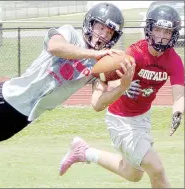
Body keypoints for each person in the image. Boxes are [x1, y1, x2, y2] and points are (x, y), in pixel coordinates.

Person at [0, 3, 131, 157]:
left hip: (25, 115)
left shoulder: (99, 65)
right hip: (7, 96)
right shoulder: (71, 34)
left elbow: (97, 104)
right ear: (91, 23)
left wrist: (122, 87)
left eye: (109, 33)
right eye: (101, 28)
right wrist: (94, 54)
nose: (103, 35)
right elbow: (55, 46)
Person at [59, 5, 184, 188]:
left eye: (167, 31)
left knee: (132, 173)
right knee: (156, 169)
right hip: (121, 120)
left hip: (142, 119)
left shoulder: (174, 60)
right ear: (149, 29)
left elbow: (179, 93)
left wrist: (178, 112)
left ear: (174, 34)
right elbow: (112, 77)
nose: (161, 36)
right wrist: (122, 87)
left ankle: (84, 152)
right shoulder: (135, 53)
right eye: (157, 29)